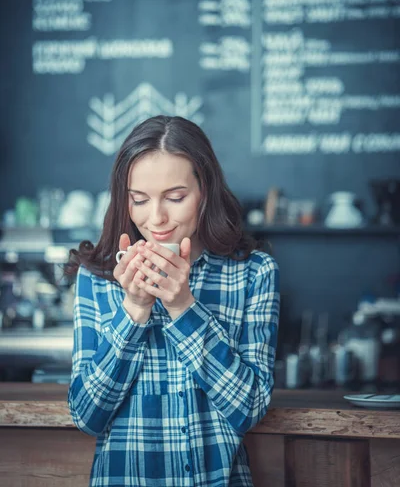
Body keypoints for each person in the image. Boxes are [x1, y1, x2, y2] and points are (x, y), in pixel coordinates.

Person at [66, 115, 280, 487]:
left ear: (205, 191)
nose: (156, 218)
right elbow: (87, 416)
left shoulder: (253, 273)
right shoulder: (99, 278)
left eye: (176, 197)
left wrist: (183, 306)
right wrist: (134, 309)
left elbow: (249, 408)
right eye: (139, 200)